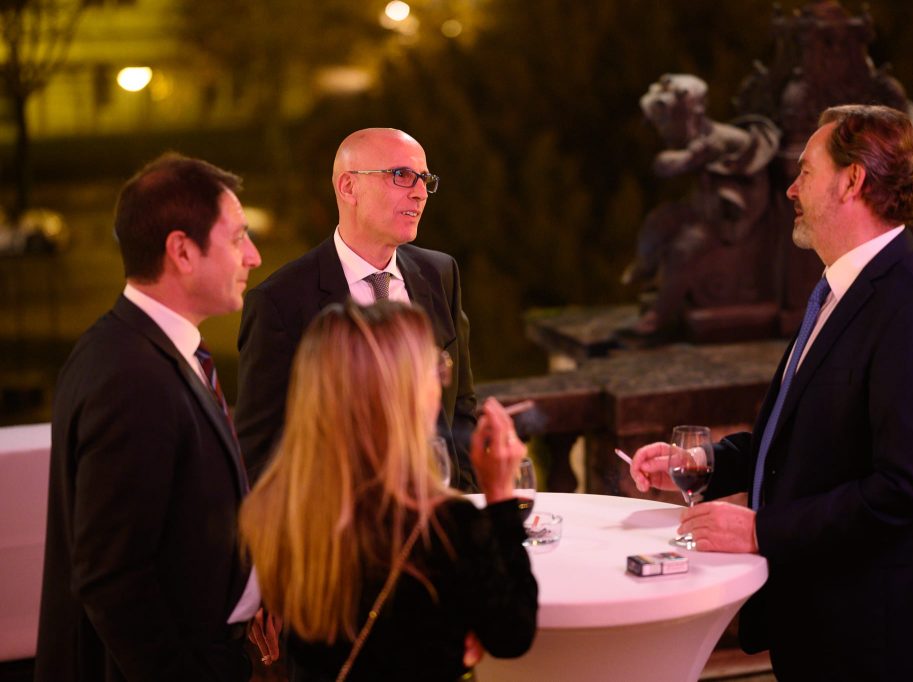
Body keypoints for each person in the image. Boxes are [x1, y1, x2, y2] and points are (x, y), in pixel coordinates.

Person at [630, 105, 913, 681]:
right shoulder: (841, 289)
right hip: (824, 631)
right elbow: (805, 440)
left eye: (805, 172)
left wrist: (759, 531)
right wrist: (704, 463)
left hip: (876, 646)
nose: (790, 189)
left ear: (852, 181)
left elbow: (903, 492)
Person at [35, 154, 268, 680]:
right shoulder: (131, 377)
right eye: (237, 238)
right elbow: (112, 578)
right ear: (182, 251)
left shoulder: (136, 348)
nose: (253, 256)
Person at [238, 301, 537, 681]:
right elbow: (513, 634)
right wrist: (500, 496)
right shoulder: (442, 527)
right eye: (433, 370)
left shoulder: (280, 511)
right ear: (401, 396)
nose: (441, 383)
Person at [236, 128, 477, 488]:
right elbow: (260, 451)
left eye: (425, 179)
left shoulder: (439, 273)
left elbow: (461, 406)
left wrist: (467, 499)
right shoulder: (279, 302)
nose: (419, 192)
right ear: (348, 187)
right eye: (401, 175)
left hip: (441, 508)